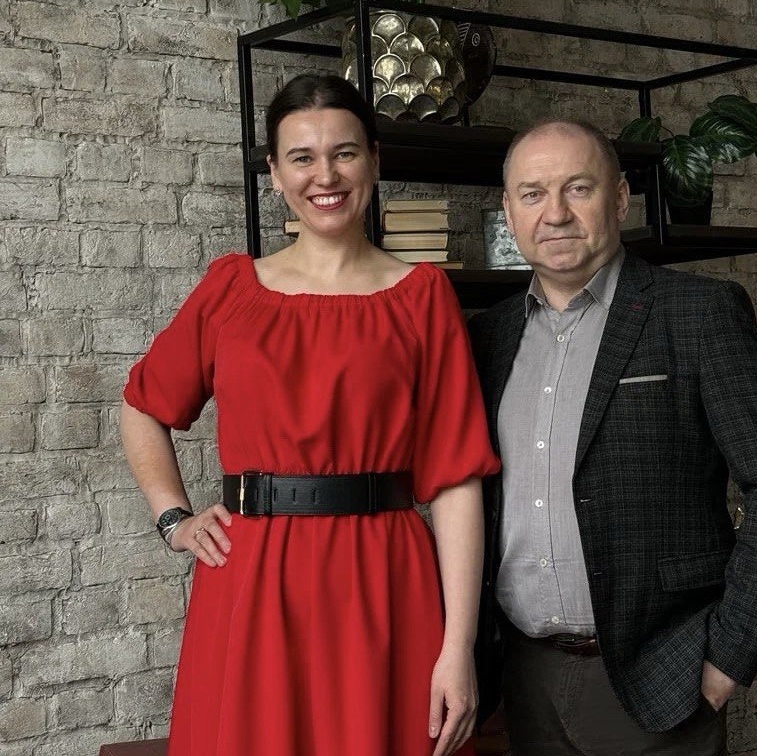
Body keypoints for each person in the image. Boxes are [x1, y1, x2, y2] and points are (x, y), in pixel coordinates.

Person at [120, 74, 499, 756]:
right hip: (252, 581)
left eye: (344, 153)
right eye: (302, 157)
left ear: (374, 160)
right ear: (274, 173)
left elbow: (455, 480)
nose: (325, 176)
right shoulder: (230, 290)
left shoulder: (422, 297)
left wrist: (458, 646)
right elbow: (142, 405)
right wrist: (174, 519)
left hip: (384, 578)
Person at [468, 118, 757, 756]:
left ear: (619, 199)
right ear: (509, 209)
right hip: (522, 676)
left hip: (657, 675)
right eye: (533, 194)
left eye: (578, 188)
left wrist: (727, 658)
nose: (555, 213)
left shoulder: (697, 313)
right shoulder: (488, 337)